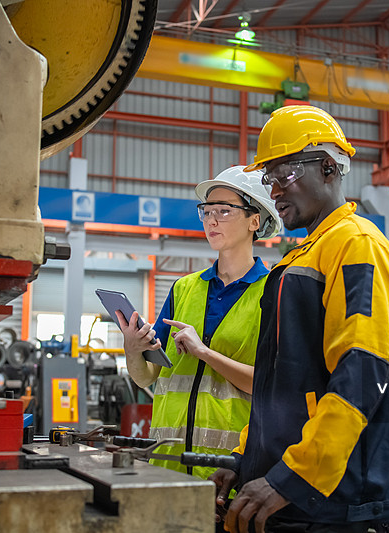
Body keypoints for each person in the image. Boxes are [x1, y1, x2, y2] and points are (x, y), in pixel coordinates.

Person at [210, 106, 389, 533]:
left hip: (335, 505)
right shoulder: (299, 259)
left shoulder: (357, 246)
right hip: (291, 494)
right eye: (269, 179)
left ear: (329, 168)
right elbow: (279, 386)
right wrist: (244, 459)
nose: (275, 191)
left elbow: (361, 373)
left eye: (285, 174)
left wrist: (295, 477)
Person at [117, 165, 281, 481]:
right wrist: (132, 349)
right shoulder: (184, 288)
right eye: (206, 211)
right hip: (166, 465)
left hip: (228, 472)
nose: (211, 220)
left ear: (255, 220)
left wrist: (204, 353)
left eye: (224, 210)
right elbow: (146, 377)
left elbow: (270, 385)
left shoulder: (273, 292)